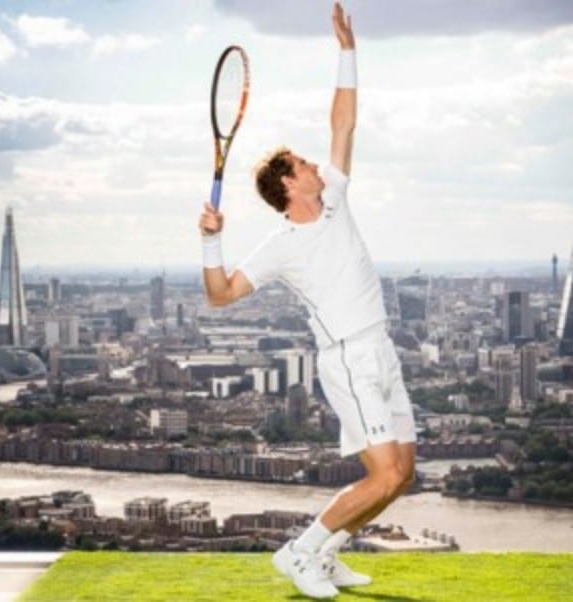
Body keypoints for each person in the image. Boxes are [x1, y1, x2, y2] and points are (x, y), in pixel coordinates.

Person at [198, 3, 416, 599]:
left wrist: (348, 52)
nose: (317, 164)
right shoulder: (280, 245)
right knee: (386, 473)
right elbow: (218, 296)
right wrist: (211, 242)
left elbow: (343, 125)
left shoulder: (337, 197)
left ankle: (325, 553)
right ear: (289, 185)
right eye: (303, 164)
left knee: (403, 476)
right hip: (347, 356)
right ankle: (298, 551)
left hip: (381, 347)